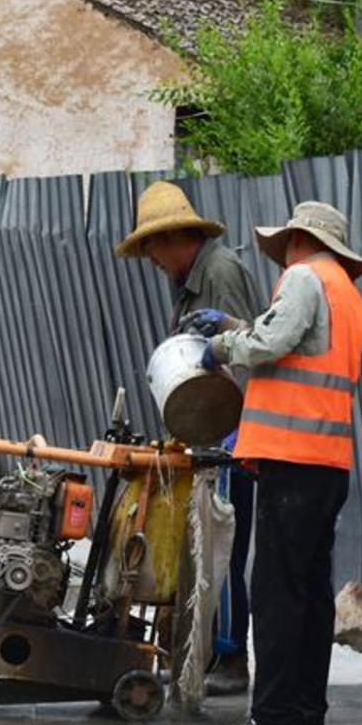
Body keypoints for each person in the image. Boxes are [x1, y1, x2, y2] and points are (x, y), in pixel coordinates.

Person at [198, 201, 362, 725]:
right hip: (328, 461)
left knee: (275, 589)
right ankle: (305, 708)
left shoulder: (303, 277)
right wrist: (240, 328)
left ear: (298, 240)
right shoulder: (348, 294)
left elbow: (271, 343)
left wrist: (220, 347)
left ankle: (271, 714)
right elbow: (297, 344)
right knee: (311, 590)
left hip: (291, 458)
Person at [114, 181, 264, 696]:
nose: (154, 262)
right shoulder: (187, 281)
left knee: (222, 549)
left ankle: (231, 657)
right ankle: (204, 650)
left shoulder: (219, 273)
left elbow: (249, 351)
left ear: (175, 239)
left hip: (234, 435)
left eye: (154, 251)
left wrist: (231, 436)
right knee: (201, 548)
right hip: (211, 431)